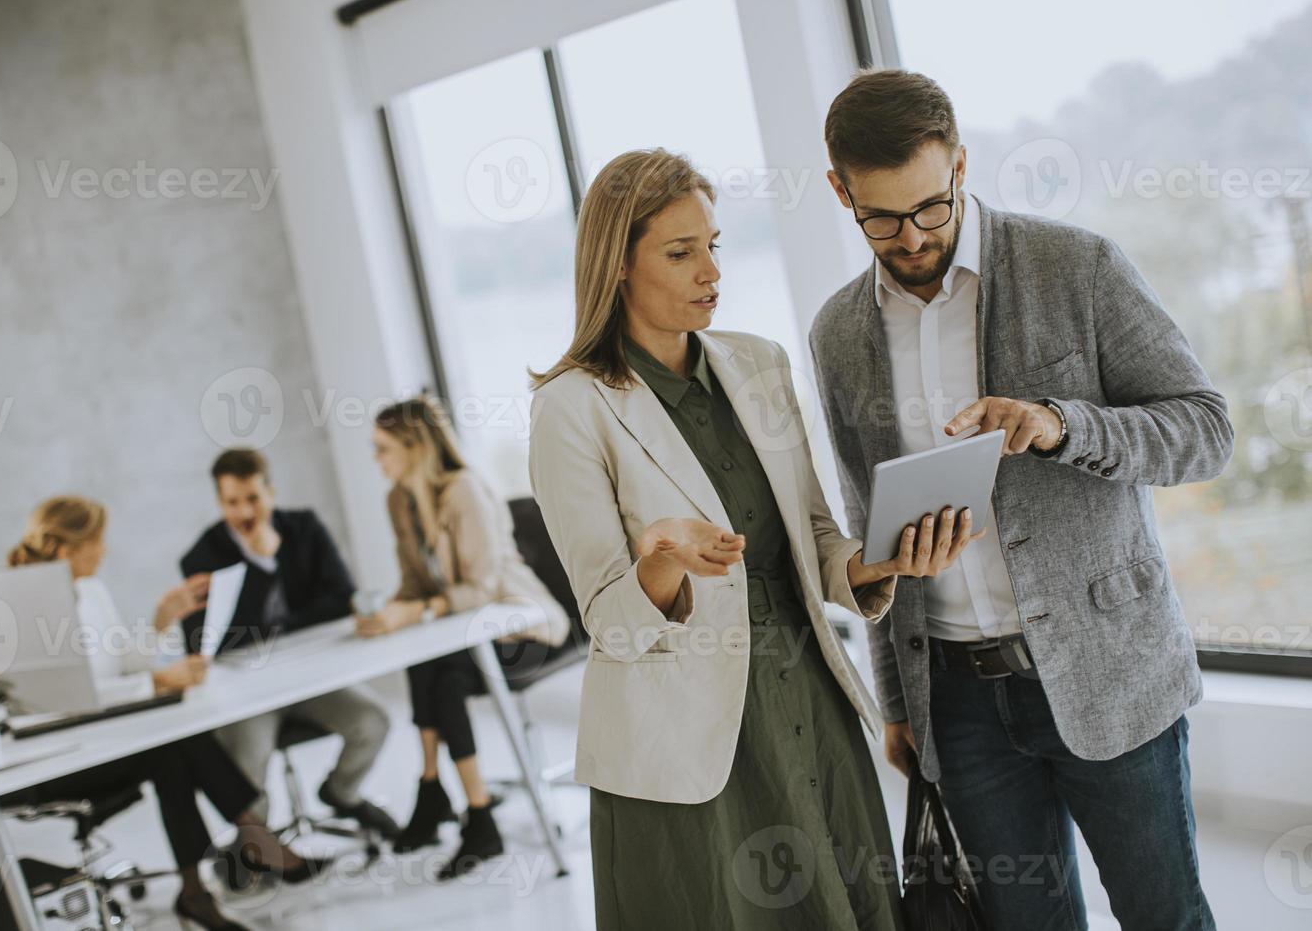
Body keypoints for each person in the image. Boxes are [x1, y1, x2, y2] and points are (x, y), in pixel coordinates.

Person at [810, 69, 1230, 929]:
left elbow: (1204, 430)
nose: (913, 235)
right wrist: (901, 703)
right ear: (838, 190)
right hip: (958, 707)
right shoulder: (838, 333)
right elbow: (868, 521)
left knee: (1165, 916)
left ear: (961, 166)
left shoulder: (1076, 265)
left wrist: (1060, 424)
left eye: (931, 206)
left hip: (1110, 673)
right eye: (881, 218)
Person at [526, 148, 976, 929]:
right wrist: (661, 560)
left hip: (806, 695)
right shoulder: (572, 408)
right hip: (689, 738)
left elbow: (811, 534)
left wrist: (878, 562)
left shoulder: (757, 365)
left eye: (713, 245)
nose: (711, 271)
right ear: (618, 266)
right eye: (680, 252)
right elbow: (607, 617)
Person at [5, 496, 328, 931]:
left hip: (102, 740)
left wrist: (161, 621)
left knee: (173, 747)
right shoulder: (30, 610)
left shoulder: (91, 590)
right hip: (59, 758)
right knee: (171, 749)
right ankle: (245, 847)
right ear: (67, 550)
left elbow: (119, 665)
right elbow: (71, 703)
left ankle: (203, 884)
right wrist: (159, 683)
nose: (104, 551)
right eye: (97, 542)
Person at [356, 396, 571, 880]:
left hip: (523, 626)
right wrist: (389, 610)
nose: (376, 460)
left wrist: (421, 609)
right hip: (466, 631)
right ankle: (440, 793)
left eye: (382, 449)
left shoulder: (465, 490)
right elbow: (416, 581)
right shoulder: (400, 499)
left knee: (445, 674)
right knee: (424, 659)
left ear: (414, 447)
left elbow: (480, 588)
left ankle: (470, 812)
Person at [176, 448, 399, 843]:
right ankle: (256, 847)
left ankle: (342, 793)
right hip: (250, 693)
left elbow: (341, 598)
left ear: (271, 493)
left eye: (253, 499)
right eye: (232, 502)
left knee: (372, 721)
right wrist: (260, 570)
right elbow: (214, 641)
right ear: (219, 503)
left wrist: (272, 625)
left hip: (312, 679)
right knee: (248, 765)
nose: (245, 512)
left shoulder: (304, 529)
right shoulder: (201, 557)